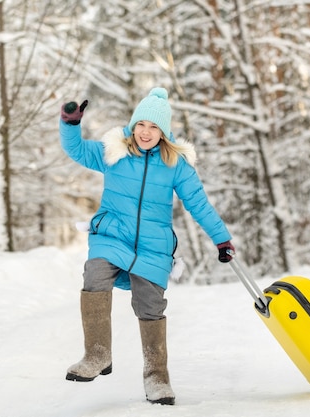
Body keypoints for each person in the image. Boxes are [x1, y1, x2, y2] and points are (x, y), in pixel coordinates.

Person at [59, 87, 235, 405]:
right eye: (142, 124)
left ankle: (157, 377)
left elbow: (198, 203)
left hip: (154, 246)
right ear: (133, 124)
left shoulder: (176, 164)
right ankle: (97, 354)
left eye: (154, 127)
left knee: (150, 305)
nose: (146, 132)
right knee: (95, 275)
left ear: (163, 132)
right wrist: (70, 124)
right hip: (111, 236)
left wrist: (221, 238)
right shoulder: (114, 152)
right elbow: (78, 152)